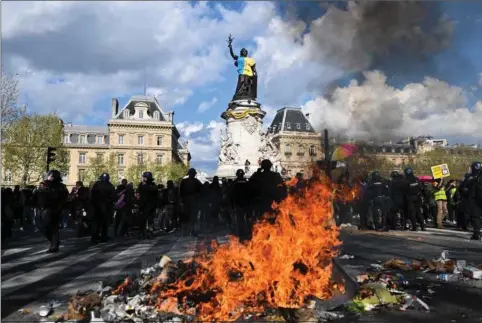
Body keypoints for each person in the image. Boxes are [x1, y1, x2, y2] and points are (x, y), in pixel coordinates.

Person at [42, 170, 69, 253]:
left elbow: (64, 198)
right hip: (48, 208)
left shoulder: (60, 187)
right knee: (46, 227)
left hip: (53, 209)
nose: (48, 177)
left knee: (52, 227)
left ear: (54, 177)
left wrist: (59, 208)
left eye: (50, 176)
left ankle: (54, 245)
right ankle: (55, 242)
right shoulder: (47, 185)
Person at [90, 173, 115, 243]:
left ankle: (94, 237)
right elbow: (113, 197)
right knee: (104, 223)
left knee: (96, 223)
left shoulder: (97, 184)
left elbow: (92, 194)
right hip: (106, 207)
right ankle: (104, 237)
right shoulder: (110, 185)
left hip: (97, 206)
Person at [179, 168, 202, 236]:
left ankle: (188, 231)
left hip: (189, 201)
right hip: (191, 201)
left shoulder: (185, 181)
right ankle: (189, 231)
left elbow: (180, 192)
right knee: (191, 217)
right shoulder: (196, 181)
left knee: (189, 217)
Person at [231, 169, 250, 240]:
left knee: (239, 219)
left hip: (238, 203)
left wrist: (232, 205)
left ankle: (241, 233)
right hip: (246, 203)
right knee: (248, 218)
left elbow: (231, 194)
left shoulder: (234, 183)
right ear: (243, 174)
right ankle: (248, 232)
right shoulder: (246, 182)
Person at [137, 172, 158, 239]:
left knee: (150, 220)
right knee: (142, 220)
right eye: (144, 177)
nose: (144, 179)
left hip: (150, 205)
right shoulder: (141, 184)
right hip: (143, 205)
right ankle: (141, 233)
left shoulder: (152, 185)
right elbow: (139, 192)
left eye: (145, 177)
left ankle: (150, 232)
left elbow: (154, 190)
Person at [465, 162, 482, 240]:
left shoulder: (472, 177)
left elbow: (465, 185)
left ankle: (477, 232)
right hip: (476, 198)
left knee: (475, 216)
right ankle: (477, 233)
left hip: (475, 198)